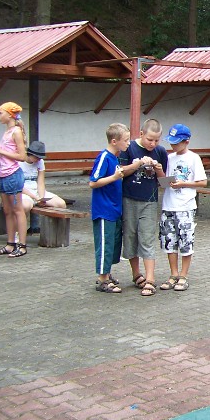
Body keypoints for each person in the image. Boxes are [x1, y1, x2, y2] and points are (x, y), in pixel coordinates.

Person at [119, 119, 168, 296]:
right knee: (130, 236)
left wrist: (159, 169)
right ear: (141, 134)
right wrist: (138, 164)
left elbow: (164, 182)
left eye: (156, 140)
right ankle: (136, 274)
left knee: (147, 238)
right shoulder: (129, 148)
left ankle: (150, 279)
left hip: (150, 201)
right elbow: (121, 172)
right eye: (149, 139)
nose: (153, 144)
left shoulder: (161, 152)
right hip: (129, 199)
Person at [158, 123, 206, 293]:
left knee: (186, 241)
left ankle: (184, 275)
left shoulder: (194, 158)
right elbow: (164, 182)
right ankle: (174, 273)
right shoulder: (169, 158)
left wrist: (183, 183)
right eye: (171, 142)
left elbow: (202, 182)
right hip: (168, 205)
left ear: (186, 141)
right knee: (169, 241)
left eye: (176, 142)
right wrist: (159, 172)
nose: (173, 145)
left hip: (185, 206)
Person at [90, 123, 131, 293]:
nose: (128, 143)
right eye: (126, 140)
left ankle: (107, 274)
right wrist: (114, 177)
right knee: (104, 244)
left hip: (115, 210)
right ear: (114, 141)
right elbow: (93, 182)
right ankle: (102, 280)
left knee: (113, 245)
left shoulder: (115, 157)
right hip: (104, 210)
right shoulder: (104, 157)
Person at [0, 102, 29, 258]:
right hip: (2, 175)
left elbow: (22, 156)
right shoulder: (7, 131)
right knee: (7, 211)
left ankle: (22, 246)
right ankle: (10, 244)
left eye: (0, 113)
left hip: (12, 175)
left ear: (10, 115)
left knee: (18, 210)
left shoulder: (16, 131)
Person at [20, 141, 67, 235]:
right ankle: (20, 233)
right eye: (36, 157)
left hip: (37, 191)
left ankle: (56, 233)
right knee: (25, 206)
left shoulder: (40, 162)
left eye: (40, 158)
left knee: (61, 204)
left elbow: (40, 182)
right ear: (30, 154)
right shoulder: (19, 162)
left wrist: (41, 197)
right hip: (24, 192)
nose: (38, 160)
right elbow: (19, 186)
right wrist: (35, 197)